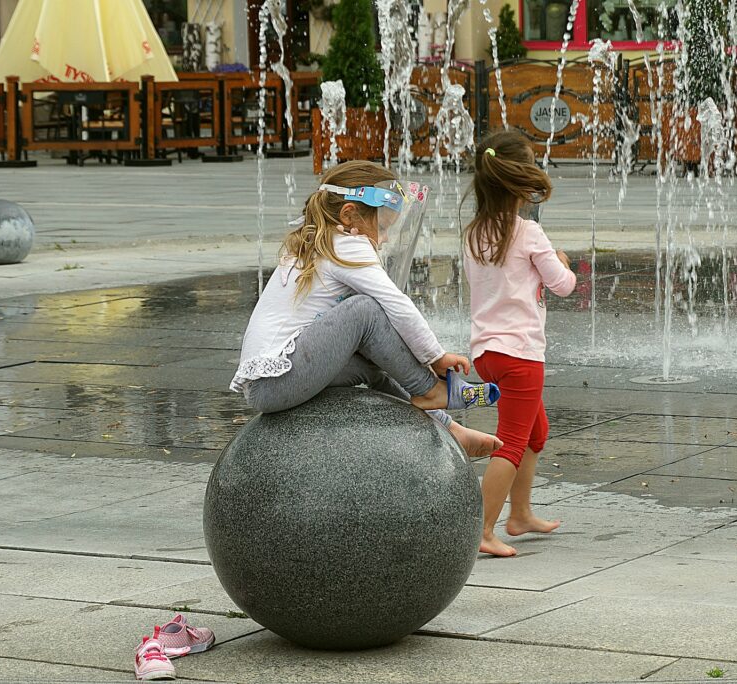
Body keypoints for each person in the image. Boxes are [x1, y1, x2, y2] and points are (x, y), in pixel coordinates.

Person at [230, 160, 502, 457]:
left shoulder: (323, 241)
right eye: (383, 227)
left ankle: (448, 428)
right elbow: (395, 302)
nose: (384, 239)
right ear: (350, 215)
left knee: (374, 365)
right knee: (365, 310)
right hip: (277, 380)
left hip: (270, 387)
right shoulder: (346, 242)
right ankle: (430, 389)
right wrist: (435, 356)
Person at [462, 130, 577, 557]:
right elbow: (562, 286)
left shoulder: (474, 232)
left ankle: (521, 514)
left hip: (487, 353)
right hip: (520, 353)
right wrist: (564, 264)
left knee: (535, 432)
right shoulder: (527, 232)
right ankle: (484, 528)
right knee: (511, 440)